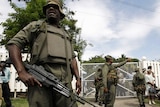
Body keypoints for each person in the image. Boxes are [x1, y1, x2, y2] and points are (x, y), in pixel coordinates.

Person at [7, 0, 81, 107]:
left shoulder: (66, 34)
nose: (51, 9)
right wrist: (21, 71)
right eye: (48, 7)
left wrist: (78, 78)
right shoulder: (36, 26)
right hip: (40, 80)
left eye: (54, 7)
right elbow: (14, 44)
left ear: (60, 12)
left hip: (64, 81)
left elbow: (72, 58)